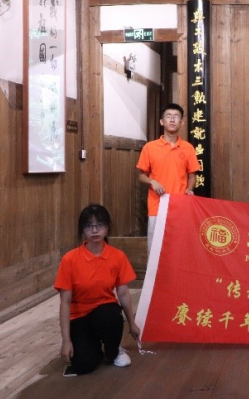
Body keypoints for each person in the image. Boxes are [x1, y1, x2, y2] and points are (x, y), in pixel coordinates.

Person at [54, 204, 140, 376]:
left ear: (107, 228)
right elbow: (65, 302)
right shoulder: (70, 259)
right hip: (79, 317)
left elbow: (123, 293)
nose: (94, 230)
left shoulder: (117, 256)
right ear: (82, 230)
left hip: (105, 311)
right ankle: (92, 344)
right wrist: (66, 341)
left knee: (111, 315)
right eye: (89, 226)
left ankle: (114, 350)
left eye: (100, 225)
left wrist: (132, 323)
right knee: (84, 365)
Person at [137, 103, 200, 252]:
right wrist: (152, 181)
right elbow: (141, 175)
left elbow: (192, 175)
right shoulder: (150, 147)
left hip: (180, 205)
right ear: (162, 121)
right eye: (168, 116)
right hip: (157, 205)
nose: (172, 119)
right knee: (156, 250)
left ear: (182, 122)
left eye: (176, 116)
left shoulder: (188, 148)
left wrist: (189, 189)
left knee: (180, 248)